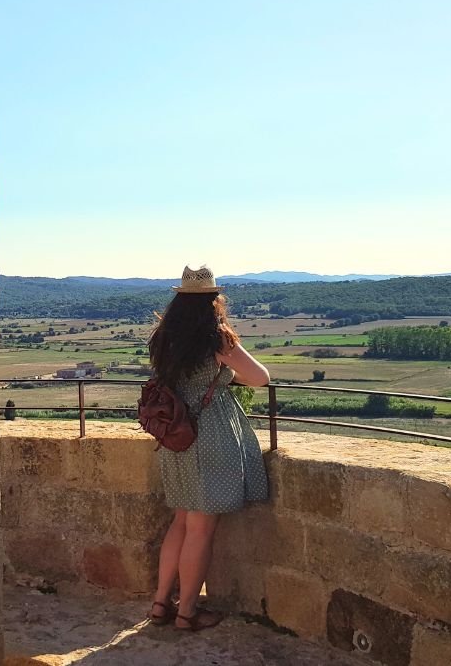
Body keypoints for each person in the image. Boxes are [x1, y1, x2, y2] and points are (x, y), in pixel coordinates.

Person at [147, 265, 270, 632]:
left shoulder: (164, 337)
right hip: (210, 432)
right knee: (201, 528)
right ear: (213, 301)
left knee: (182, 520)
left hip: (176, 433)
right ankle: (186, 613)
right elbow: (261, 377)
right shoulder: (216, 338)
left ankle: (159, 603)